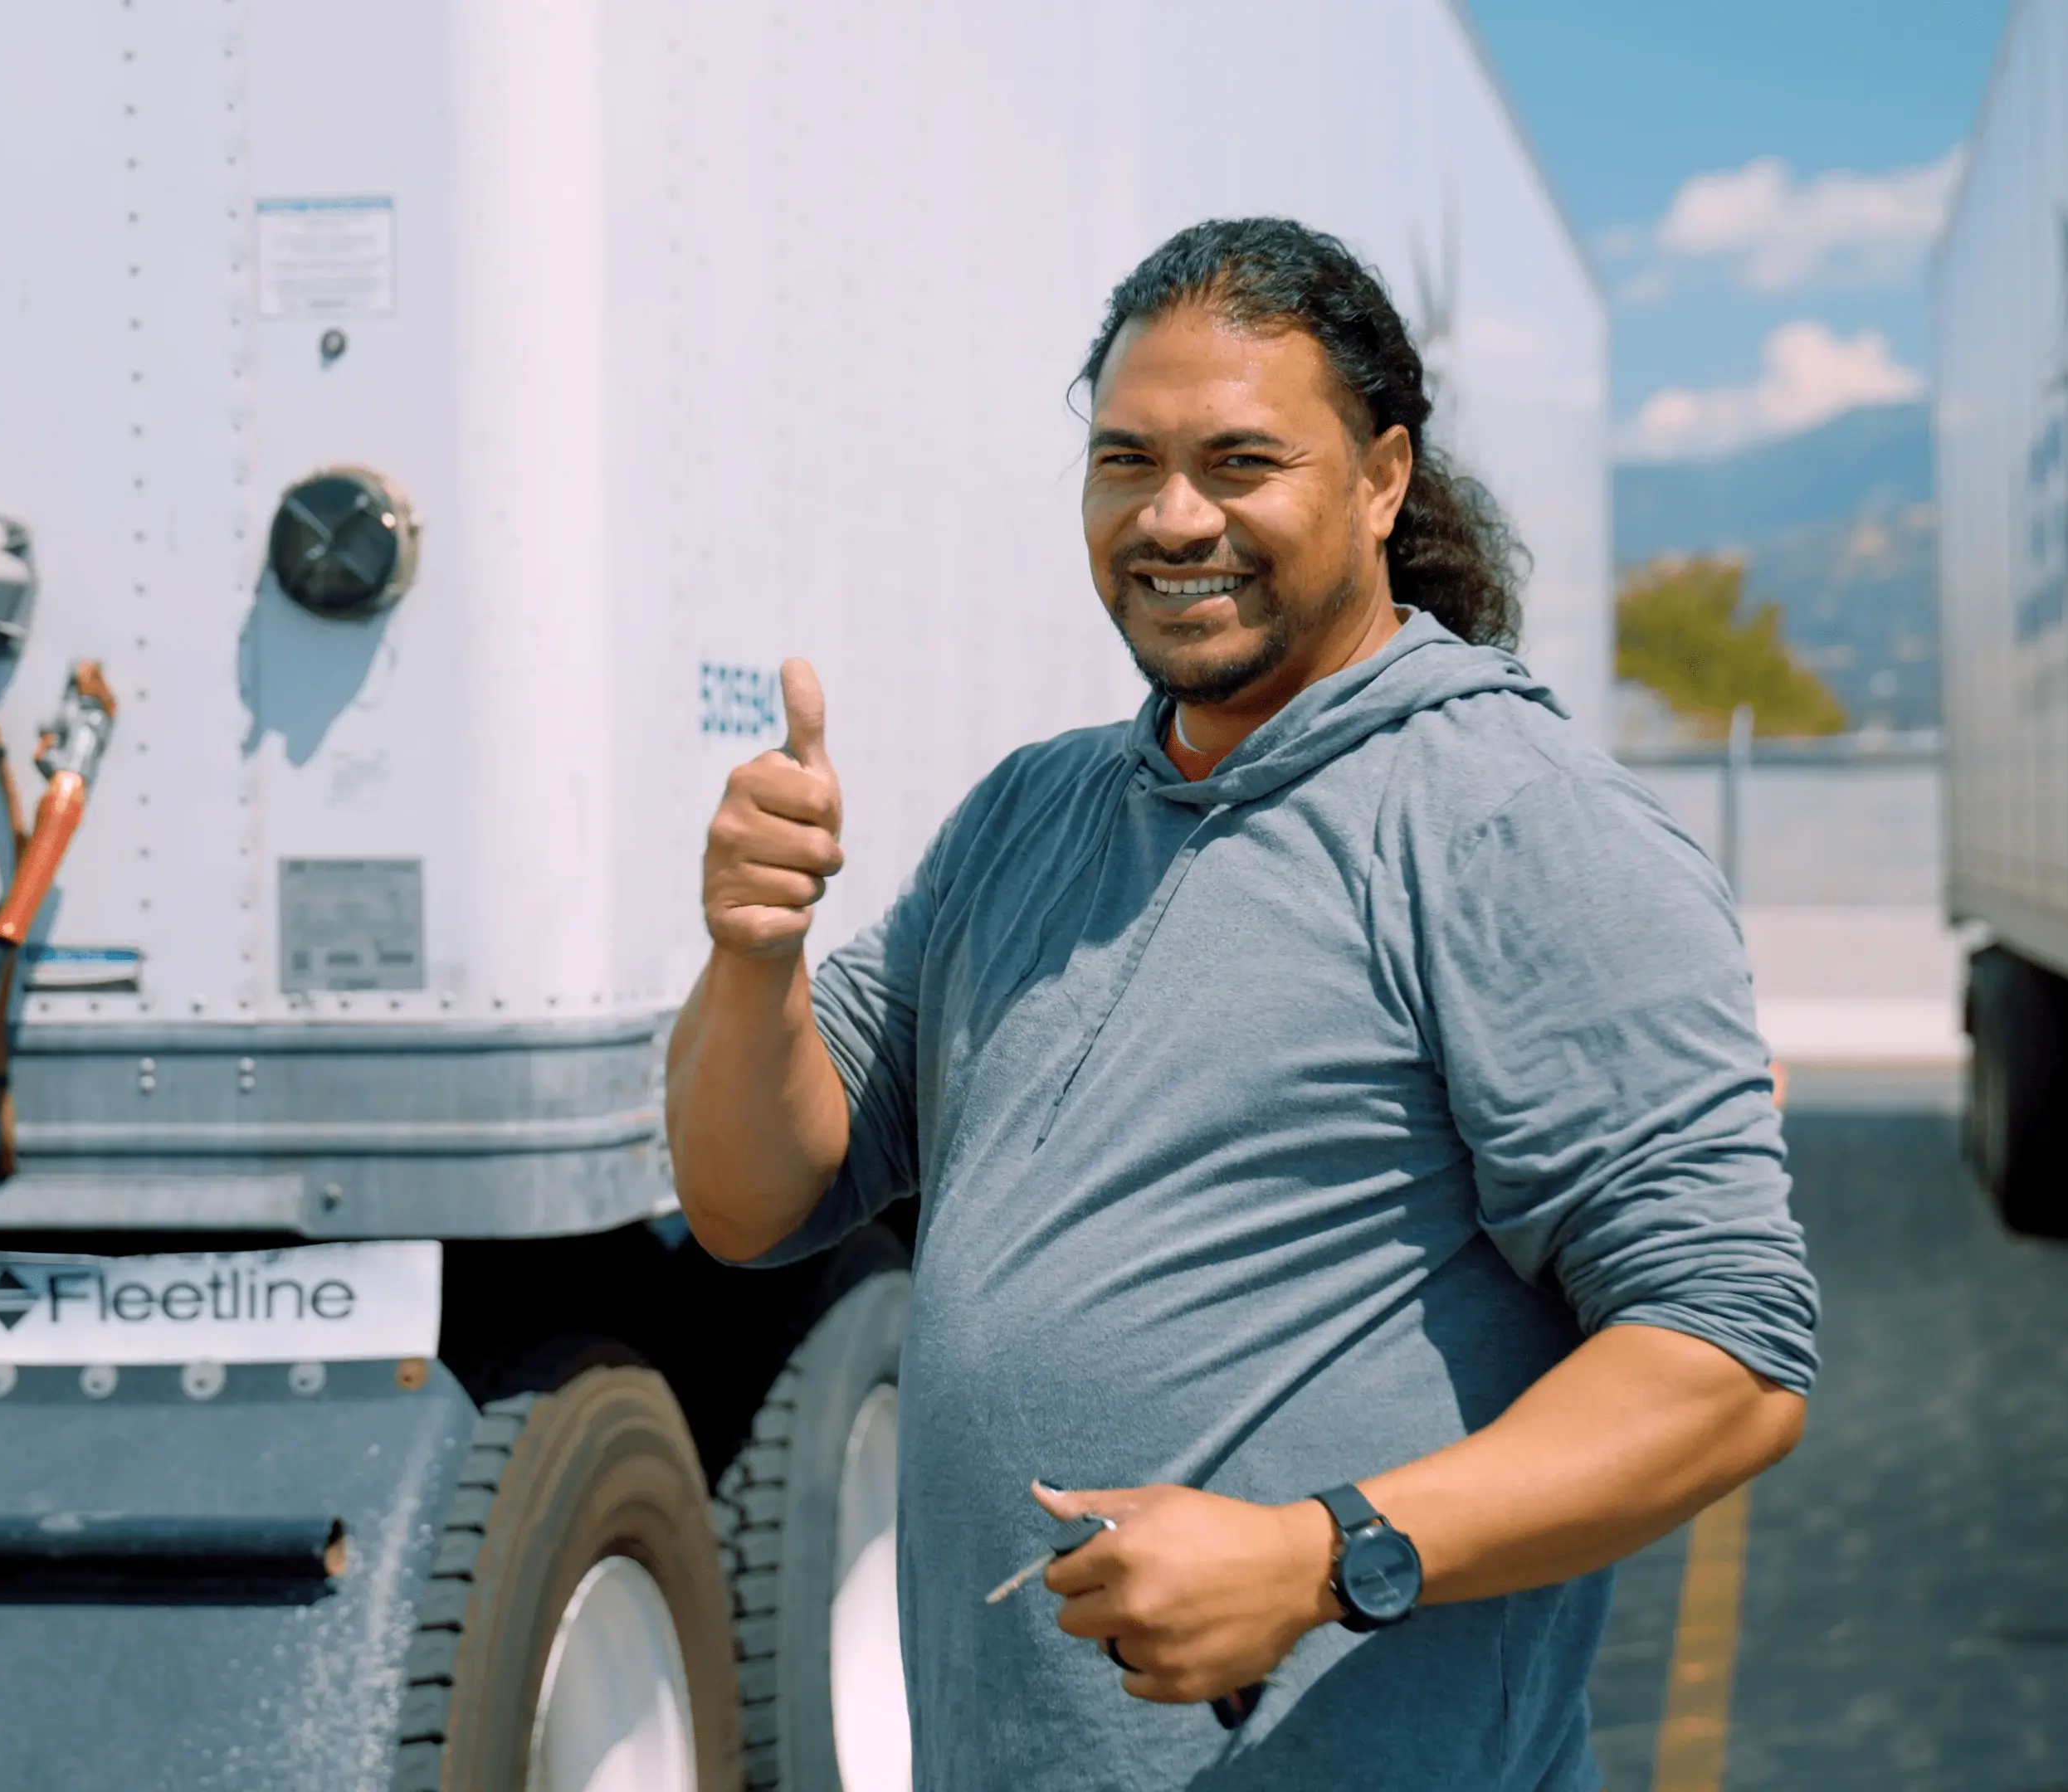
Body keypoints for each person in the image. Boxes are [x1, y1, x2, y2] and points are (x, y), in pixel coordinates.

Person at [666, 217, 1816, 1790]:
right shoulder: (1032, 813)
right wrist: (752, 952)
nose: (1173, 515)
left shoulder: (1511, 822)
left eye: (1241, 460)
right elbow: (756, 1200)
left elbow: (1727, 1360)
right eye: (1126, 460)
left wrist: (1319, 1556)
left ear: (1384, 481)